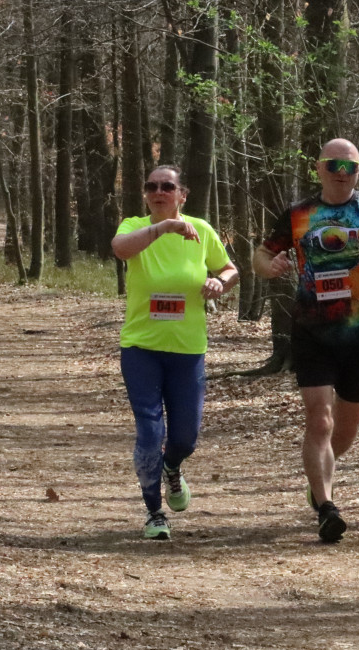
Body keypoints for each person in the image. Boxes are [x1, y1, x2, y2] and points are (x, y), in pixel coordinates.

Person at [253, 138, 359, 543]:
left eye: (350, 167)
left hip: (358, 333)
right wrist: (272, 265)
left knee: (343, 433)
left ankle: (318, 481)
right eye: (334, 165)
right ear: (319, 168)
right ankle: (327, 508)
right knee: (319, 418)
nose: (342, 173)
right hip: (311, 330)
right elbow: (260, 257)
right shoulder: (298, 214)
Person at [111, 165, 239, 540]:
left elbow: (231, 269)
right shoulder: (133, 226)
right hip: (141, 348)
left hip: (187, 350)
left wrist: (220, 282)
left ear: (182, 195)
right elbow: (120, 250)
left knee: (184, 437)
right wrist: (163, 228)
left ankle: (172, 467)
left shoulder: (202, 230)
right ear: (144, 193)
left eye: (168, 187)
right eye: (151, 186)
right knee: (150, 432)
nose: (159, 191)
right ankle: (153, 512)